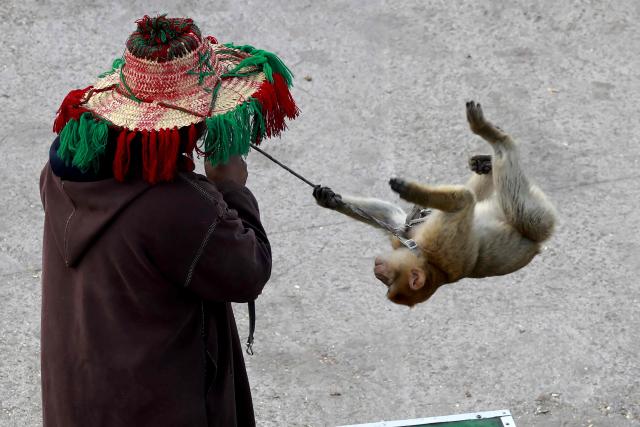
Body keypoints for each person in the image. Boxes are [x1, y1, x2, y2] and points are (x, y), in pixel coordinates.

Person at [39, 15, 298, 426]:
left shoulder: (61, 172)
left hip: (81, 401)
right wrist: (231, 188)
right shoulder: (179, 208)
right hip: (162, 407)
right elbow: (249, 269)